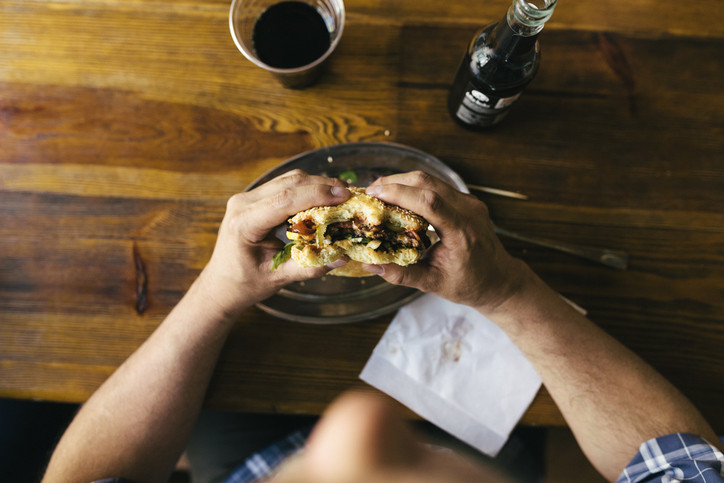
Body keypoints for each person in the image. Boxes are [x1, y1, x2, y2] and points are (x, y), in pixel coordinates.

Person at [42, 170, 723, 483]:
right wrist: (511, 289)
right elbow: (684, 464)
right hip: (484, 446)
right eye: (399, 465)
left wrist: (215, 296)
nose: (359, 420)